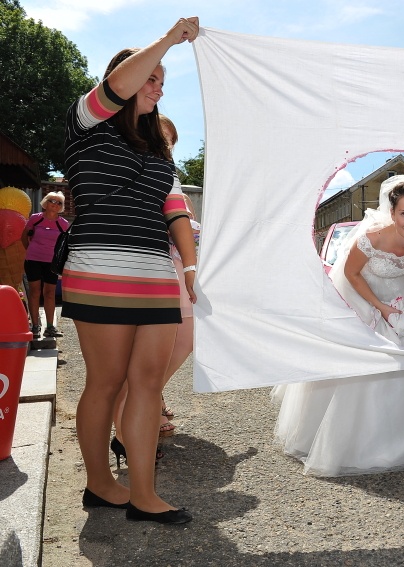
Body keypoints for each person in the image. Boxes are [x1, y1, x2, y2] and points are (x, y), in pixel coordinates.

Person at [61, 17, 200, 524]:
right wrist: (168, 40)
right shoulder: (86, 121)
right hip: (100, 272)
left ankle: (144, 494)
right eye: (150, 77)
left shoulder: (160, 149)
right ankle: (99, 484)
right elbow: (118, 86)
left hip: (155, 277)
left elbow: (175, 209)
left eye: (163, 81)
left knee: (148, 384)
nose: (157, 87)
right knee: (105, 382)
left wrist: (190, 266)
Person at [272, 176, 404, 476]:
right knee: (369, 369)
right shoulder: (372, 239)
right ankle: (360, 438)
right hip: (364, 298)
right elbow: (351, 274)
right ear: (392, 213)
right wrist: (380, 307)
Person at [111, 115, 200, 457]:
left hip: (178, 273)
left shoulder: (174, 181)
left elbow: (188, 232)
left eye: (171, 140)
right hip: (148, 272)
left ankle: (144, 400)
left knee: (185, 341)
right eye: (161, 136)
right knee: (140, 355)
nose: (166, 144)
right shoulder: (130, 171)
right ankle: (125, 432)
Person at [21, 191, 70, 339]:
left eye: (59, 202)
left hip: (52, 263)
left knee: (49, 293)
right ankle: (35, 326)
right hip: (33, 260)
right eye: (52, 201)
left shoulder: (64, 224)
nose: (55, 204)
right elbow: (24, 237)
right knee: (34, 292)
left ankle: (50, 328)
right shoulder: (35, 218)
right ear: (45, 202)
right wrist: (30, 251)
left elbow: (66, 245)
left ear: (61, 207)